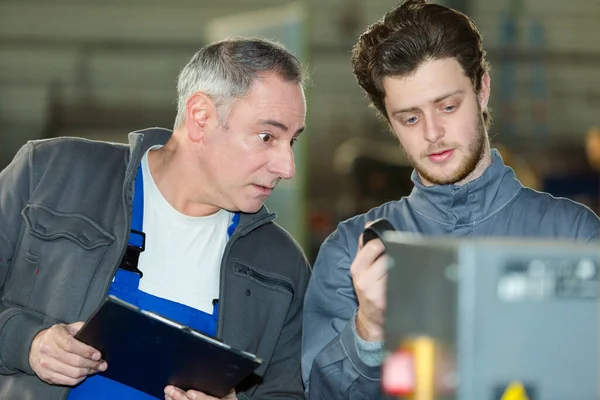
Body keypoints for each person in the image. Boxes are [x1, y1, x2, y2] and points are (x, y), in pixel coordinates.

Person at [301, 1, 600, 398]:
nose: (433, 133)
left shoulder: (574, 238)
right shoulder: (351, 255)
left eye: (448, 106)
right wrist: (369, 328)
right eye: (410, 118)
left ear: (482, 90)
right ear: (390, 123)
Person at [0, 36, 310, 400]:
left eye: (292, 142)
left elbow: (287, 392)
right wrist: (26, 342)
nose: (287, 167)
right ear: (201, 116)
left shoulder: (283, 266)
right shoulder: (51, 173)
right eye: (266, 136)